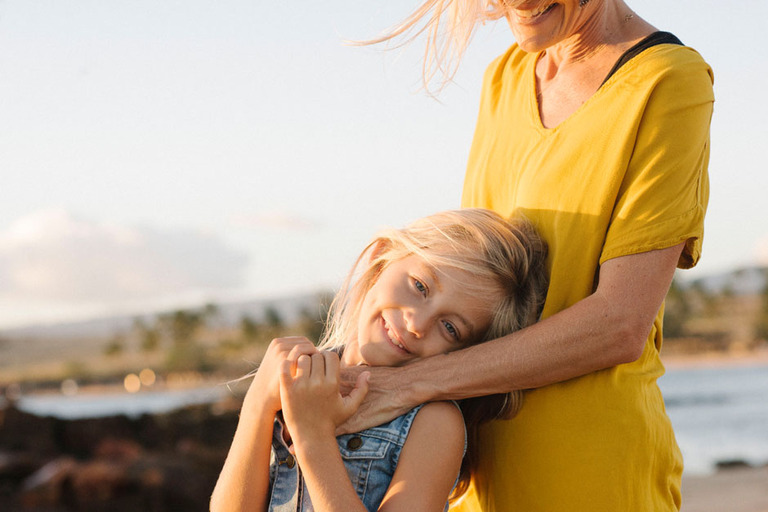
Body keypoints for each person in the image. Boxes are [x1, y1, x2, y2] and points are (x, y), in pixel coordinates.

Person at [340, 1, 715, 511]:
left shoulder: (669, 80)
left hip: (588, 473)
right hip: (471, 466)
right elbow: (470, 282)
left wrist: (402, 386)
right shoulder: (505, 77)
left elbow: (620, 324)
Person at [210, 209, 548, 512]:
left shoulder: (434, 423)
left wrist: (313, 436)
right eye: (420, 286)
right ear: (381, 258)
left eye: (449, 328)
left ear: (462, 353)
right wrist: (257, 403)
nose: (416, 324)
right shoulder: (299, 376)